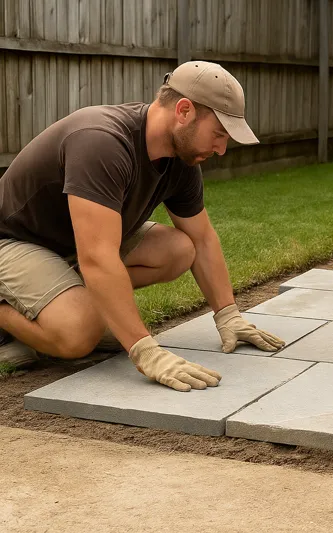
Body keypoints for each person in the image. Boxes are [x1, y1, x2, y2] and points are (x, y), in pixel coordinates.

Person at [0, 60, 286, 391]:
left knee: (179, 250)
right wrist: (146, 352)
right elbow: (97, 257)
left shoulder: (180, 163)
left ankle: (51, 310)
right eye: (219, 134)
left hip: (66, 248)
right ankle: (33, 315)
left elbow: (202, 239)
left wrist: (228, 315)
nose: (221, 149)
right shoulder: (102, 143)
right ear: (183, 111)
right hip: (12, 242)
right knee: (80, 332)